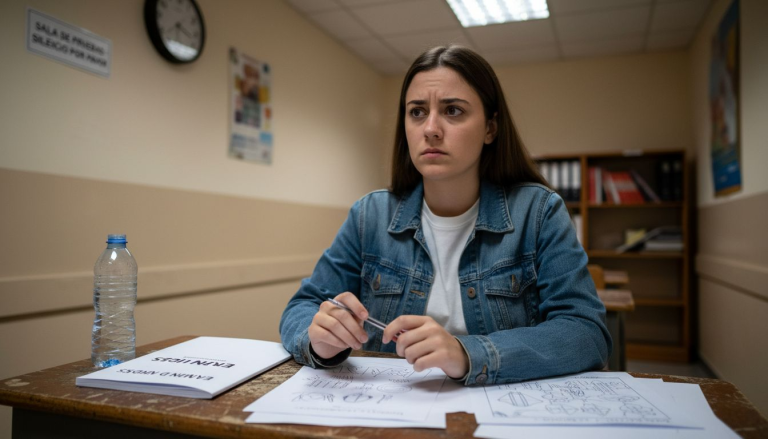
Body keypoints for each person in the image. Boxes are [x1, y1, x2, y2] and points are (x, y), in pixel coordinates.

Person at [280, 45, 611, 385]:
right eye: (417, 112)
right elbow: (301, 308)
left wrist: (468, 353)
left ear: (490, 128)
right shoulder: (370, 216)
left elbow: (585, 332)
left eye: (453, 111)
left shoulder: (539, 212)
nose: (431, 129)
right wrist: (320, 340)